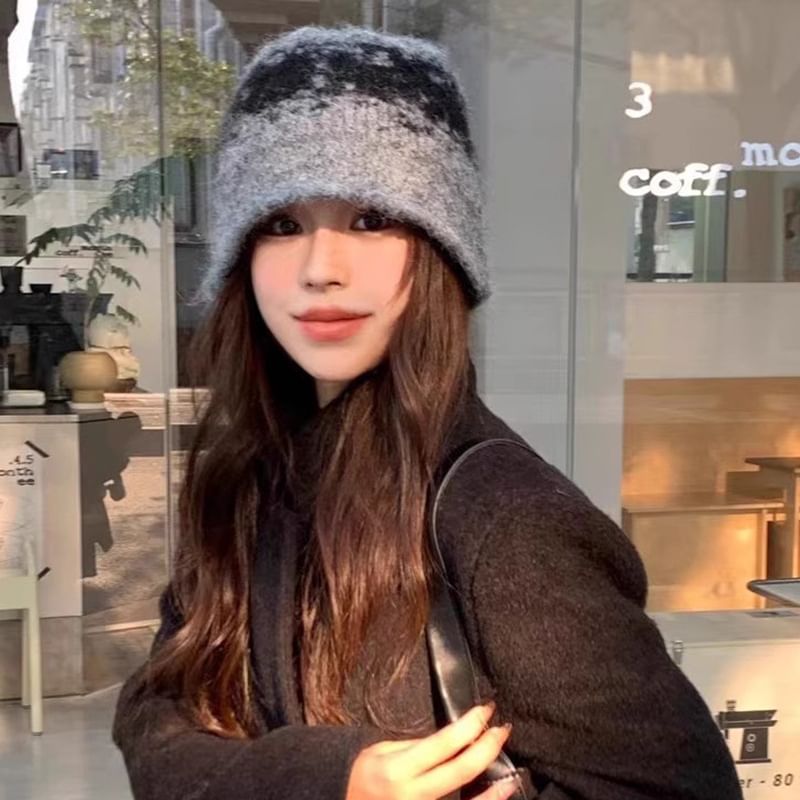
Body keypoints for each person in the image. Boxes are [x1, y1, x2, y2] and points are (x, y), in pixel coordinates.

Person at [111, 24, 743, 800]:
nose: (320, 268)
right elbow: (154, 714)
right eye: (281, 224)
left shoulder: (503, 521)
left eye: (371, 219)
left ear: (443, 247)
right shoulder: (251, 476)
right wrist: (325, 780)